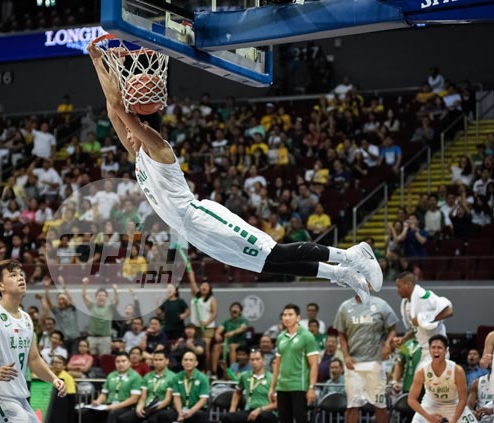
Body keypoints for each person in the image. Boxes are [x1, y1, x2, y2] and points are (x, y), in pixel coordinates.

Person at [86, 36, 382, 304]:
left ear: (145, 127)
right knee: (268, 264)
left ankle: (351, 255)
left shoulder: (157, 146)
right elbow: (114, 111)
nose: (124, 134)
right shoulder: (137, 155)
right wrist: (97, 60)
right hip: (191, 233)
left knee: (275, 252)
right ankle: (340, 274)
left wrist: (101, 62)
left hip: (200, 217)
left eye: (130, 130)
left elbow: (121, 110)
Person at [0, 259, 66, 422]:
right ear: (0, 286)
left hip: (20, 397)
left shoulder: (26, 318)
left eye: (21, 274)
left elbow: (34, 359)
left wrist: (54, 379)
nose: (20, 278)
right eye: (13, 275)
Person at [334, 291, 398, 423]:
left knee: (380, 406)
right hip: (353, 365)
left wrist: (387, 344)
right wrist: (346, 356)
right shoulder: (345, 307)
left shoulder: (381, 305)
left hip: (375, 364)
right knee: (352, 407)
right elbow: (341, 334)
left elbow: (393, 328)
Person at [408, 334, 478, 423]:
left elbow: (463, 399)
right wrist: (429, 417)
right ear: (429, 350)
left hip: (453, 404)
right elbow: (411, 399)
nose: (436, 351)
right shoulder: (422, 371)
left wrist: (454, 421)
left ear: (446, 351)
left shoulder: (457, 370)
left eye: (439, 348)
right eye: (433, 347)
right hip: (430, 404)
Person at [268, 304, 319, 423]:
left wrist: (311, 388)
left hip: (299, 386)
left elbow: (314, 365)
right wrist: (272, 387)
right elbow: (277, 365)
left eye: (290, 315)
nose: (286, 317)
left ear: (298, 318)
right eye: (284, 315)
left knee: (301, 419)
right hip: (282, 387)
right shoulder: (281, 337)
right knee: (284, 420)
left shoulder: (307, 336)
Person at [394, 271, 454, 367]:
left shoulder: (424, 295)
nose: (397, 290)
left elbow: (449, 310)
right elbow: (416, 329)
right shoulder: (406, 303)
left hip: (437, 350)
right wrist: (403, 340)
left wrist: (425, 319)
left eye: (399, 286)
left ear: (408, 284)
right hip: (424, 350)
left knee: (423, 380)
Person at [118, 350, 177, 423]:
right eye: (155, 360)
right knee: (123, 419)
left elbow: (167, 400)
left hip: (161, 408)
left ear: (167, 361)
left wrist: (151, 410)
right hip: (146, 407)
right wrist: (139, 407)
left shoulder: (173, 377)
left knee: (152, 420)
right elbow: (143, 397)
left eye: (160, 360)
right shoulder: (147, 376)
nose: (157, 362)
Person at [223, 349, 278, 423]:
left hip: (267, 411)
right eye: (252, 360)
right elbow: (237, 392)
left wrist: (260, 409)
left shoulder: (272, 378)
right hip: (250, 410)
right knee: (228, 417)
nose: (254, 362)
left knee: (262, 417)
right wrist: (232, 409)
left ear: (263, 360)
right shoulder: (245, 376)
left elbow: (277, 403)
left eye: (257, 359)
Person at [89, 351, 143, 423]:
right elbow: (104, 394)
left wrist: (116, 406)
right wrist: (98, 402)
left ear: (129, 362)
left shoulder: (135, 377)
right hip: (109, 404)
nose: (120, 364)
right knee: (86, 412)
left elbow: (134, 399)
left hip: (126, 406)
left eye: (123, 361)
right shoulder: (111, 375)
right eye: (118, 362)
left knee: (113, 413)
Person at [82, 277, 118, 356]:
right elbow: (84, 296)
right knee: (91, 358)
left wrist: (115, 290)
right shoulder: (92, 306)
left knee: (104, 359)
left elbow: (116, 301)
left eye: (103, 295)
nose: (101, 297)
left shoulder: (109, 307)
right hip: (92, 338)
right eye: (99, 295)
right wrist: (84, 285)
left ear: (106, 298)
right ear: (96, 297)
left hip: (105, 338)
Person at [172, 351, 210, 423]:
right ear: (182, 363)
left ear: (196, 363)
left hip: (197, 410)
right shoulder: (176, 377)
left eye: (191, 360)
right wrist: (180, 413)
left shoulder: (203, 378)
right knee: (164, 415)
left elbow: (203, 400)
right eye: (185, 360)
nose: (188, 362)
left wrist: (190, 412)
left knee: (199, 415)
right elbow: (176, 397)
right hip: (180, 409)